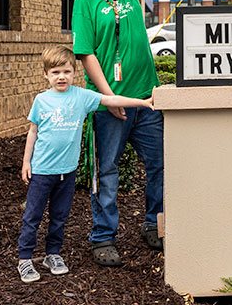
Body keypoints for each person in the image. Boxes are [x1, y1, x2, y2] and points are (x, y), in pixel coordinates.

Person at [71, 0, 169, 268]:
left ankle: (154, 225)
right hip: (110, 105)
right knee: (106, 172)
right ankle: (103, 238)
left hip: (146, 99)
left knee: (161, 164)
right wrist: (106, 97)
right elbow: (87, 53)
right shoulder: (83, 2)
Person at [16, 45, 154, 283]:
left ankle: (53, 254)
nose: (61, 77)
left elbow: (111, 99)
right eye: (56, 72)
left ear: (74, 73)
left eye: (67, 71)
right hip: (42, 172)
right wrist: (26, 162)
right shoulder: (42, 100)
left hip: (66, 173)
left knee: (60, 216)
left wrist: (143, 103)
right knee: (33, 216)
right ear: (46, 75)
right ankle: (25, 259)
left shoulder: (81, 97)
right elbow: (32, 132)